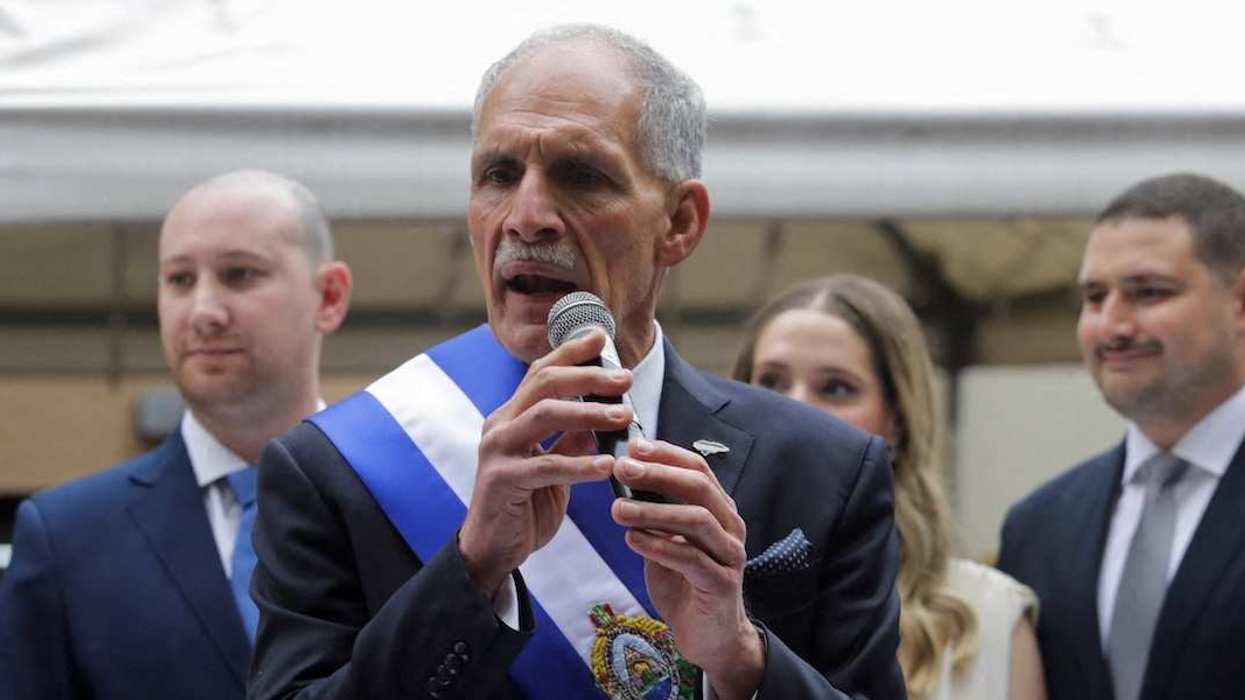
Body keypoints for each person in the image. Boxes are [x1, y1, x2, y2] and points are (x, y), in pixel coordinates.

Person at [248, 24, 905, 700]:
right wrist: (471, 570)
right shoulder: (338, 467)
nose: (527, 217)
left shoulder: (823, 469)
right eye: (498, 175)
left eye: (581, 176)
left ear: (679, 223)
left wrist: (739, 661)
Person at [0, 170, 353, 700]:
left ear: (328, 296)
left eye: (239, 274)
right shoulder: (66, 540)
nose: (203, 312)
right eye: (179, 280)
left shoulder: (403, 503)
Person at [732, 274, 1047, 700]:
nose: (795, 409)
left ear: (897, 419)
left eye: (835, 388)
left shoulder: (989, 614)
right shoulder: (685, 586)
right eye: (771, 382)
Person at [997, 172, 1245, 700]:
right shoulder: (1039, 526)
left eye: (1148, 292)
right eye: (1094, 296)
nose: (1112, 325)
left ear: (1240, 302)